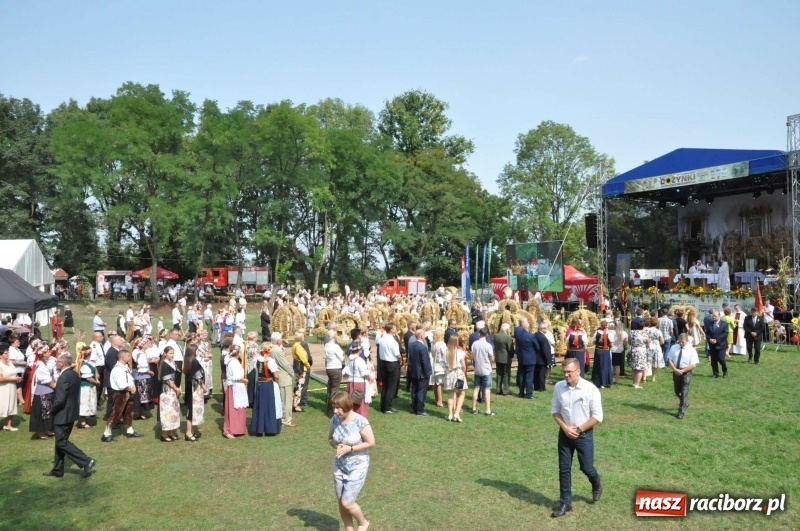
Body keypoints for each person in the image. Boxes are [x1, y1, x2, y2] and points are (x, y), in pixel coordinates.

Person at [550, 358, 603, 518]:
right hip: (565, 434)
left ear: (578, 371)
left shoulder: (590, 389)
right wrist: (565, 428)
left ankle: (596, 482)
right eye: (564, 372)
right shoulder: (559, 387)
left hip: (584, 435)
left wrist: (579, 430)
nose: (566, 375)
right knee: (564, 469)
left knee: (586, 467)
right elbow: (555, 411)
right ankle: (565, 502)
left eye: (569, 372)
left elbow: (597, 416)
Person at [328, 390, 375, 531]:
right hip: (340, 465)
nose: (335, 411)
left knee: (347, 502)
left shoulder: (360, 421)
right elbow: (330, 439)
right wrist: (337, 445)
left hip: (357, 466)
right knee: (341, 501)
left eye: (338, 408)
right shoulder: (335, 420)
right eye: (333, 407)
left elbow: (371, 443)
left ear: (347, 405)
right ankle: (349, 529)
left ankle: (362, 523)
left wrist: (350, 448)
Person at [43, 353, 96, 479]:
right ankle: (58, 469)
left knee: (61, 441)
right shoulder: (74, 374)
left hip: (63, 414)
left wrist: (51, 411)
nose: (56, 365)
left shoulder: (64, 377)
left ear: (62, 363)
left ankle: (86, 461)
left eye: (57, 363)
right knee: (60, 441)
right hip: (71, 412)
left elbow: (60, 399)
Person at [102, 349, 142, 442]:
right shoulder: (117, 369)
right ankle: (106, 433)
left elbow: (130, 377)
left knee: (128, 412)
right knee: (116, 413)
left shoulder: (125, 367)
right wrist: (130, 388)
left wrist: (133, 386)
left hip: (128, 393)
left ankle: (130, 430)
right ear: (122, 357)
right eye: (128, 356)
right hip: (120, 394)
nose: (129, 357)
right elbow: (121, 384)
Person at [250, 343, 282, 436]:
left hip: (259, 383)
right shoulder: (270, 361)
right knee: (270, 405)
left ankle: (259, 428)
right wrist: (277, 381)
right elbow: (276, 375)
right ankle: (270, 428)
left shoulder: (256, 359)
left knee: (260, 406)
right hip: (268, 384)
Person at [667, 333, 699, 419]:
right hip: (676, 371)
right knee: (677, 391)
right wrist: (675, 370)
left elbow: (693, 364)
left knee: (684, 391)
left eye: (683, 342)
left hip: (686, 372)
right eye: (679, 341)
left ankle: (681, 411)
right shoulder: (674, 347)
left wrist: (683, 370)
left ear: (687, 341)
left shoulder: (691, 350)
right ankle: (685, 403)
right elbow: (669, 359)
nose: (681, 343)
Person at [270, 333, 296, 428]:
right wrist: (293, 374)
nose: (282, 339)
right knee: (286, 401)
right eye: (281, 338)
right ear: (278, 341)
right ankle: (286, 419)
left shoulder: (271, 348)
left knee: (281, 399)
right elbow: (285, 365)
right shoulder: (277, 351)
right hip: (283, 378)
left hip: (278, 377)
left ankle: (282, 418)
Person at [30, 345, 56, 439]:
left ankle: (47, 429)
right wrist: (56, 386)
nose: (50, 352)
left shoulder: (45, 363)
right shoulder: (40, 365)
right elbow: (47, 380)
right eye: (47, 351)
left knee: (48, 410)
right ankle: (40, 432)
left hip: (47, 391)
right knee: (42, 411)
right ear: (43, 354)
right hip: (42, 391)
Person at [223, 344, 248, 438]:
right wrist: (244, 380)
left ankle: (237, 428)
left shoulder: (233, 361)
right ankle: (230, 429)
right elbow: (235, 376)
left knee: (239, 409)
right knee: (235, 409)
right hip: (235, 387)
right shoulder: (234, 363)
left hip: (236, 386)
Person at [158, 346, 181, 442]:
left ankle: (171, 433)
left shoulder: (171, 363)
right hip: (167, 391)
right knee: (167, 412)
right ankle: (164, 434)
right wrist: (176, 389)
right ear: (165, 353)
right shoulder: (164, 365)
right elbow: (167, 380)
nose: (172, 355)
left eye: (173, 353)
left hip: (172, 391)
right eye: (170, 353)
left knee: (174, 411)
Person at [407, 328, 432, 416]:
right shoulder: (423, 347)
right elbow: (425, 362)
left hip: (414, 371)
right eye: (424, 334)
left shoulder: (411, 345)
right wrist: (428, 373)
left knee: (414, 390)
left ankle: (415, 407)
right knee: (421, 391)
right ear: (421, 336)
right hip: (422, 373)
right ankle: (420, 409)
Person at [470, 327, 495, 416]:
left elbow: (472, 356)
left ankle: (473, 408)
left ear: (479, 334)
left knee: (476, 388)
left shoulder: (474, 344)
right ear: (487, 335)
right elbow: (492, 358)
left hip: (477, 368)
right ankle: (487, 410)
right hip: (486, 369)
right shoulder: (488, 345)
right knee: (487, 390)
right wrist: (490, 363)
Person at [344, 342, 372, 418]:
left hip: (351, 382)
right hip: (359, 383)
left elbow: (346, 371)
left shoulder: (349, 359)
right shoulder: (359, 360)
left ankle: (351, 417)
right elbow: (365, 373)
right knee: (361, 402)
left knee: (352, 401)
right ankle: (361, 418)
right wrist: (370, 378)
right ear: (360, 351)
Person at [444, 336, 468, 422]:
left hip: (449, 373)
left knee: (451, 394)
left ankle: (450, 414)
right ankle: (457, 413)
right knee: (462, 393)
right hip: (458, 373)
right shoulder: (460, 352)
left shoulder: (446, 352)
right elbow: (464, 366)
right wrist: (464, 371)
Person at [378, 324, 401, 414]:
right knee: (391, 387)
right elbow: (397, 354)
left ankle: (383, 405)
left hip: (384, 362)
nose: (396, 329)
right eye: (395, 328)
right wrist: (400, 359)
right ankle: (387, 407)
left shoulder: (382, 339)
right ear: (391, 330)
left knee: (385, 385)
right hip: (391, 363)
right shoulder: (392, 341)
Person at [0, 344, 23, 430]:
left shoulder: (10, 362)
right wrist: (13, 378)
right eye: (5, 353)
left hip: (12, 387)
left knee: (11, 405)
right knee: (2, 405)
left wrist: (17, 378)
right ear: (0, 355)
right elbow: (0, 378)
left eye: (8, 352)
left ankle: (8, 425)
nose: (8, 354)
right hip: (3, 388)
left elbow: (14, 372)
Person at [515, 317, 538, 399]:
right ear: (527, 327)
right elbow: (537, 347)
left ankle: (521, 392)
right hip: (530, 359)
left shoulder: (519, 335)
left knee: (521, 375)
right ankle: (528, 393)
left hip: (521, 358)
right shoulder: (531, 336)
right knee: (529, 376)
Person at [76, 345, 99, 429]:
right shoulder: (83, 364)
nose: (90, 353)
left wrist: (97, 376)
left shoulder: (89, 362)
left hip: (90, 387)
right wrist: (96, 382)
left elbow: (94, 369)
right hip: (85, 387)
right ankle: (82, 421)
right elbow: (88, 378)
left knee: (90, 402)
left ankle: (86, 419)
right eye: (89, 352)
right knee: (84, 403)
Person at [324, 330, 345, 417]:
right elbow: (341, 357)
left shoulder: (327, 345)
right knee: (335, 390)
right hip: (336, 368)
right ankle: (332, 410)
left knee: (330, 388)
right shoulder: (335, 346)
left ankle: (329, 408)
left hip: (329, 368)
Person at [705, 310, 729, 378]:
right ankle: (715, 373)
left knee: (721, 359)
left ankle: (725, 371)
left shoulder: (724, 324)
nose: (713, 317)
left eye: (715, 316)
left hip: (721, 345)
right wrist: (709, 339)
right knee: (713, 361)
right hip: (712, 345)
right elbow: (707, 334)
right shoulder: (709, 324)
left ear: (719, 316)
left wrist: (717, 340)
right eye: (713, 316)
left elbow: (725, 333)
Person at [591, 321, 614, 388]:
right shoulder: (609, 333)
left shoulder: (597, 332)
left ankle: (597, 381)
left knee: (598, 366)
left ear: (601, 325)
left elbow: (594, 341)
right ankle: (604, 382)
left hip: (598, 350)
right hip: (606, 351)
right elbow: (611, 344)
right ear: (607, 325)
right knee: (605, 366)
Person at [493, 323, 514, 396]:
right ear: (507, 329)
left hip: (498, 357)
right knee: (506, 374)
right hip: (506, 358)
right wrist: (512, 355)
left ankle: (498, 389)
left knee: (499, 374)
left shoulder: (496, 336)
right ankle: (505, 390)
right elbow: (510, 349)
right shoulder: (508, 338)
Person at [628, 320, 649, 389]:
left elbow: (629, 342)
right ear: (643, 326)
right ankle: (637, 384)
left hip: (634, 350)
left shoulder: (631, 332)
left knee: (634, 368)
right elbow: (648, 343)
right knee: (640, 369)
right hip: (641, 351)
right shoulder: (645, 333)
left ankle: (634, 383)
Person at [429, 329, 448, 407]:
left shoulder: (433, 343)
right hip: (441, 365)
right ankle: (440, 401)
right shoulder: (442, 344)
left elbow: (433, 354)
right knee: (440, 383)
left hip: (435, 364)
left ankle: (437, 399)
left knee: (436, 383)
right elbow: (445, 355)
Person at [608, 321, 628, 385]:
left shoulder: (613, 333)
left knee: (611, 365)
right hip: (620, 350)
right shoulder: (625, 333)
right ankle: (616, 380)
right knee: (617, 366)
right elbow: (625, 343)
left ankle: (610, 379)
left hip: (612, 350)